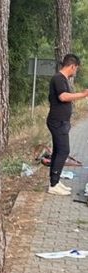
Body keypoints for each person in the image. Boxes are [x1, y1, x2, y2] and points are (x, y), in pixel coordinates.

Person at [46, 53, 88, 195]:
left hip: (61, 122)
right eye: (76, 69)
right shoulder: (58, 78)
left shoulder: (62, 79)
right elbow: (63, 97)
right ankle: (53, 185)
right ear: (72, 66)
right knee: (64, 151)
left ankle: (55, 181)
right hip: (57, 122)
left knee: (58, 151)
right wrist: (83, 94)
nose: (75, 72)